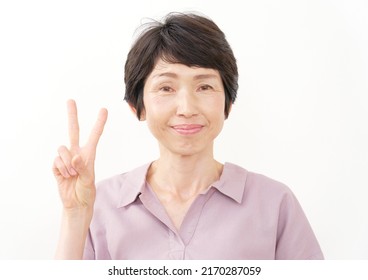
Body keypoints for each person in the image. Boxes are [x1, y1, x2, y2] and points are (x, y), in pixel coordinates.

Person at [52, 12, 324, 260]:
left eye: (204, 86)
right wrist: (75, 216)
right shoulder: (100, 203)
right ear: (138, 106)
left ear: (228, 103)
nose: (187, 108)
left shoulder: (274, 203)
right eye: (166, 88)